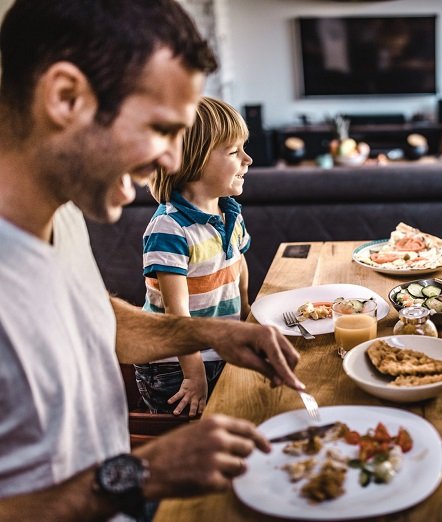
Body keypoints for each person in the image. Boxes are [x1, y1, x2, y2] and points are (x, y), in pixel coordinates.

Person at [0, 1, 304, 520]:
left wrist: (211, 334)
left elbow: (95, 318)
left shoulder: (63, 212)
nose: (170, 159)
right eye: (162, 128)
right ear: (65, 97)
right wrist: (144, 474)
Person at [136, 97, 253, 417]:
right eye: (233, 152)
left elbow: (237, 263)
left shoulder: (228, 211)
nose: (248, 159)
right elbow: (177, 313)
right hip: (175, 366)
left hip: (218, 349)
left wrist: (245, 314)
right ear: (192, 161)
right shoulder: (170, 227)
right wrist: (193, 374)